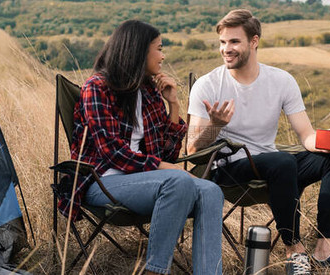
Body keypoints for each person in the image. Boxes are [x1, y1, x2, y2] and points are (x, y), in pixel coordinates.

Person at [187, 10, 330, 275]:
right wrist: (215, 126)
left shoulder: (281, 80)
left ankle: (326, 249)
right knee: (281, 162)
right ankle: (294, 252)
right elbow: (192, 151)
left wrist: (321, 140)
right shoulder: (207, 85)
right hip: (228, 168)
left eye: (234, 42)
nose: (226, 49)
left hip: (272, 163)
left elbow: (305, 135)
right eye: (223, 42)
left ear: (254, 41)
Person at [68, 20, 223, 274]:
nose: (163, 56)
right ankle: (155, 270)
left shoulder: (149, 91)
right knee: (178, 181)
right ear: (139, 51)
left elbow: (166, 154)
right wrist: (167, 167)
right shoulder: (96, 88)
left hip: (146, 181)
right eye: (159, 49)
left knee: (211, 191)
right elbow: (112, 153)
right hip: (101, 182)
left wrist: (173, 104)